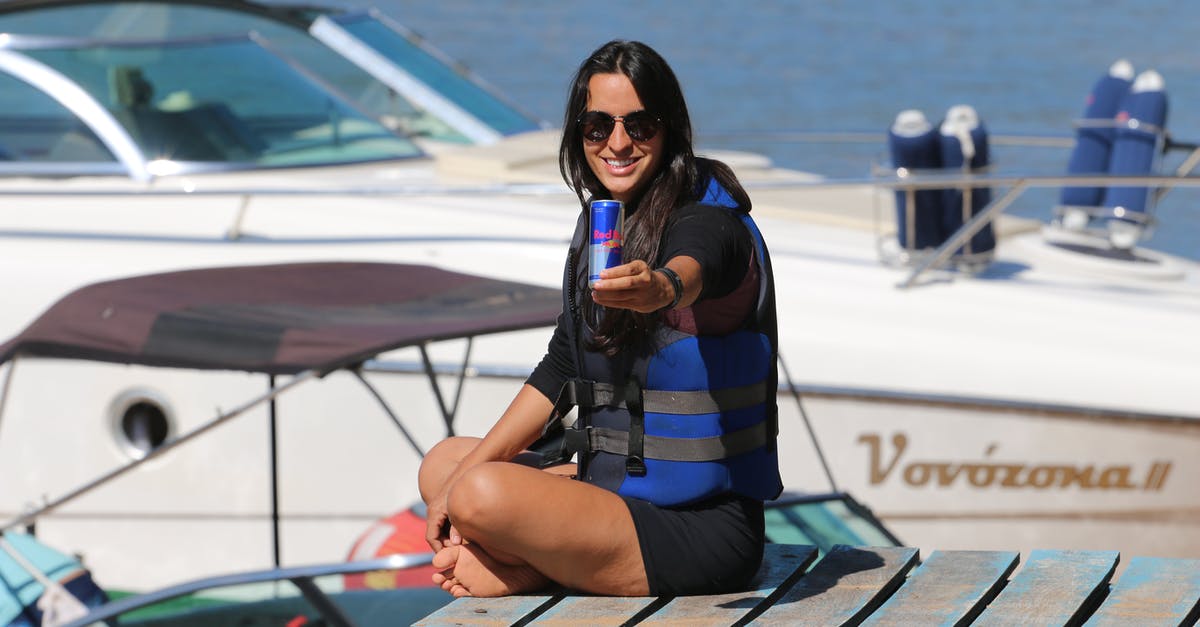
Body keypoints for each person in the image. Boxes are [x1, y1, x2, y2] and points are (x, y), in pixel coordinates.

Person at [418, 39, 782, 599]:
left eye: (640, 125)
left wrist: (662, 287)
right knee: (446, 466)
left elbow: (703, 260)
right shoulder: (604, 228)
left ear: (671, 130)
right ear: (576, 133)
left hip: (703, 527)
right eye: (597, 126)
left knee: (479, 494)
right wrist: (460, 480)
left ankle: (530, 571)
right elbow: (561, 367)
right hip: (611, 484)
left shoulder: (710, 219)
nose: (618, 143)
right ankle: (533, 567)